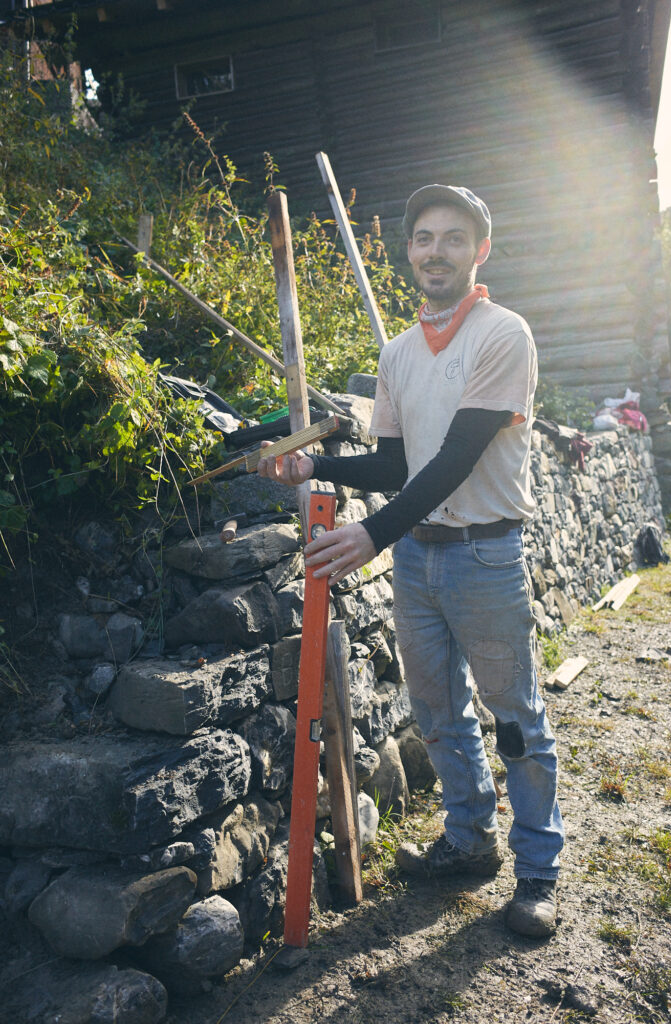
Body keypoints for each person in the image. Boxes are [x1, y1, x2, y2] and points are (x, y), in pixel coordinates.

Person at [257, 184, 564, 938]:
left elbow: (458, 457)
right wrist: (318, 471)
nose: (436, 251)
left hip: (486, 553)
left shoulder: (503, 334)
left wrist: (373, 536)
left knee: (515, 718)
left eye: (454, 238)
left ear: (479, 250)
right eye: (424, 237)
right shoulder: (396, 352)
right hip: (421, 561)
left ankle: (537, 873)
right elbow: (396, 466)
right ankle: (468, 841)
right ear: (409, 251)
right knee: (437, 712)